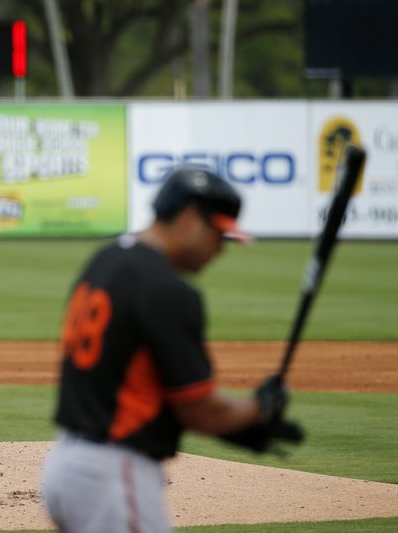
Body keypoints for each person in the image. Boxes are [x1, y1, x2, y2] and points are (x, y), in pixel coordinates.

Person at [40, 166, 303, 532]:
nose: (220, 250)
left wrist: (245, 424)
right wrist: (259, 409)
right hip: (113, 476)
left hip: (65, 465)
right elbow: (199, 409)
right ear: (192, 220)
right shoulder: (168, 290)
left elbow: (146, 388)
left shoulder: (108, 259)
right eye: (219, 235)